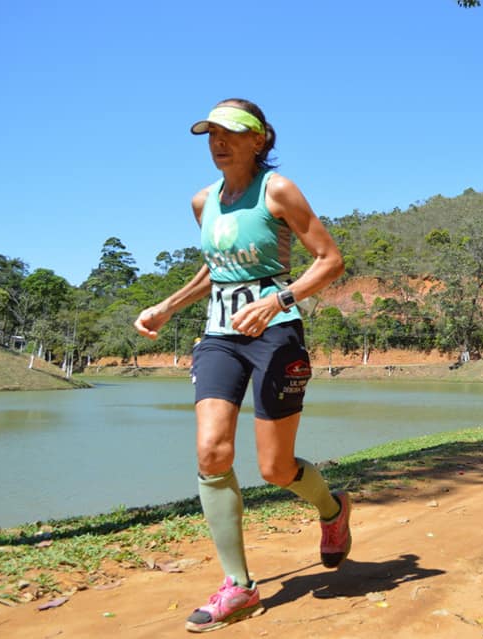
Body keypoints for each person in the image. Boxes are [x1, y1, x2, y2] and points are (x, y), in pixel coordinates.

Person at [134, 98, 351, 633]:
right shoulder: (202, 201)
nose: (218, 141)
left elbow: (330, 260)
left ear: (260, 139)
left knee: (275, 469)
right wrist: (166, 307)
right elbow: (216, 269)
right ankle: (239, 586)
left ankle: (332, 510)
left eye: (230, 132)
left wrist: (277, 301)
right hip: (219, 338)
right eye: (210, 133)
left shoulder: (277, 190)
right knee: (212, 451)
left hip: (276, 334)